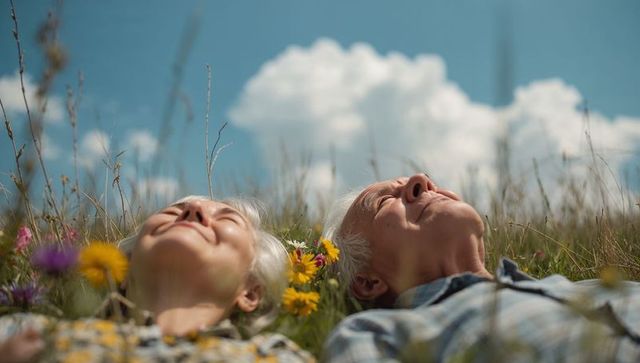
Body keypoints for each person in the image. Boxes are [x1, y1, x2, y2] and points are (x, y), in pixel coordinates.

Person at [322, 174, 640, 362]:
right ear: (367, 282)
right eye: (383, 202)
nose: (422, 180)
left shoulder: (594, 288)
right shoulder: (376, 333)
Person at [0, 196, 314, 363]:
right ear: (124, 268)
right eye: (172, 210)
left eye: (227, 218)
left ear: (250, 291)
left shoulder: (274, 355)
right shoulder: (31, 331)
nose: (192, 208)